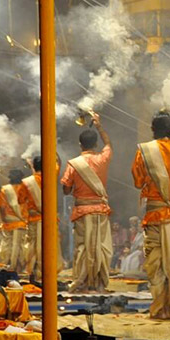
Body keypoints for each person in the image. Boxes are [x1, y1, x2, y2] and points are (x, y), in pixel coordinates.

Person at [131, 109, 170, 319]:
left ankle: (162, 309)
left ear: (152, 130)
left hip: (156, 214)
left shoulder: (145, 151)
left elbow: (138, 181)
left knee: (156, 263)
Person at [62, 112, 114, 292]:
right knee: (101, 246)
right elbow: (108, 144)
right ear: (96, 144)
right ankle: (100, 283)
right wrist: (99, 125)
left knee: (83, 247)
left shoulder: (74, 164)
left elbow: (66, 189)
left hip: (82, 211)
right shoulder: (103, 158)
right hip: (100, 211)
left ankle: (82, 282)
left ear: (80, 145)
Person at [20, 154, 62, 279]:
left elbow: (21, 200)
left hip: (33, 219)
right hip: (49, 220)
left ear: (33, 166)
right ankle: (48, 273)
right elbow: (58, 161)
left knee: (33, 246)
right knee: (49, 245)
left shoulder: (26, 182)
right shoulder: (51, 175)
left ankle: (34, 272)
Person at [0, 169, 28, 272]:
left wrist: (3, 219)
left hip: (8, 221)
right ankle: (16, 268)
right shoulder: (25, 188)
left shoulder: (4, 189)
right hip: (21, 221)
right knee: (18, 246)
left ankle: (7, 266)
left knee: (8, 245)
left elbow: (1, 207)